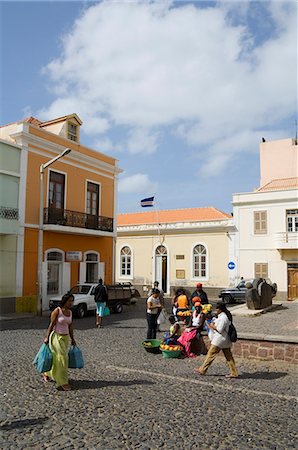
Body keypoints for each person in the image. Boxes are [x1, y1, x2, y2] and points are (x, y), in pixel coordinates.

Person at [43, 292, 76, 391]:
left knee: (57, 358)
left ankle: (47, 373)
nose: (71, 303)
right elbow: (51, 325)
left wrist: (73, 339)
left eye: (72, 301)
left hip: (65, 339)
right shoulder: (57, 311)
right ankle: (62, 382)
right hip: (56, 337)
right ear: (65, 301)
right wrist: (47, 337)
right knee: (63, 358)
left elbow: (70, 327)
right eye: (69, 301)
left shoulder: (70, 313)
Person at [196, 302, 238, 378]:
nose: (216, 310)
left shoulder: (223, 318)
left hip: (220, 340)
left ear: (220, 309)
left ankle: (202, 369)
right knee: (229, 357)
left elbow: (220, 329)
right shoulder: (223, 316)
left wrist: (212, 325)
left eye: (217, 309)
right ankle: (234, 372)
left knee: (210, 355)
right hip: (224, 340)